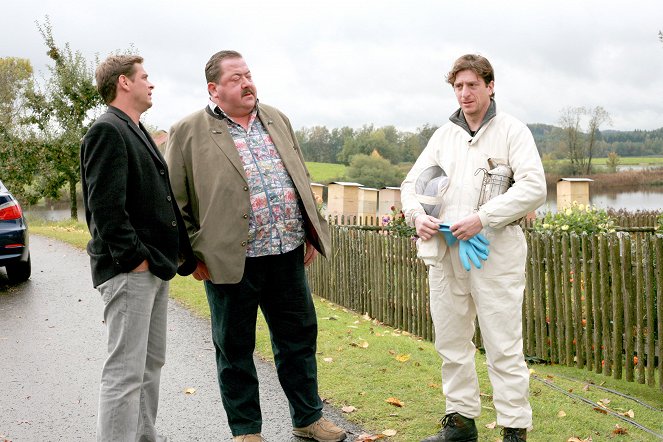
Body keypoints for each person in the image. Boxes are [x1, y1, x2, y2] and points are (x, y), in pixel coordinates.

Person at [165, 50, 346, 442]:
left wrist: (308, 230)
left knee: (298, 339)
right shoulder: (188, 131)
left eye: (248, 75)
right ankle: (246, 431)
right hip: (229, 261)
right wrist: (191, 255)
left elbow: (299, 175)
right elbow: (174, 201)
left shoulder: (277, 118)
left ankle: (308, 418)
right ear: (214, 89)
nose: (247, 83)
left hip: (286, 253)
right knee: (234, 349)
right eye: (235, 78)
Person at [400, 54, 546, 442]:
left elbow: (534, 187)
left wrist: (484, 218)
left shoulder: (512, 131)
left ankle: (514, 428)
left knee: (503, 343)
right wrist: (417, 217)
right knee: (450, 341)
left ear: (490, 85)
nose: (464, 93)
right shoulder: (443, 136)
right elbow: (411, 186)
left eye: (472, 85)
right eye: (458, 87)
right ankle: (461, 421)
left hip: (495, 252)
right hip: (446, 254)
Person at [80, 54, 197, 441]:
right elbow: (104, 208)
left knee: (150, 364)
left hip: (154, 268)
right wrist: (135, 261)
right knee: (125, 371)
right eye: (145, 77)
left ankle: (143, 436)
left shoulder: (137, 129)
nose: (152, 83)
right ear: (124, 83)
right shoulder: (106, 130)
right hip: (131, 272)